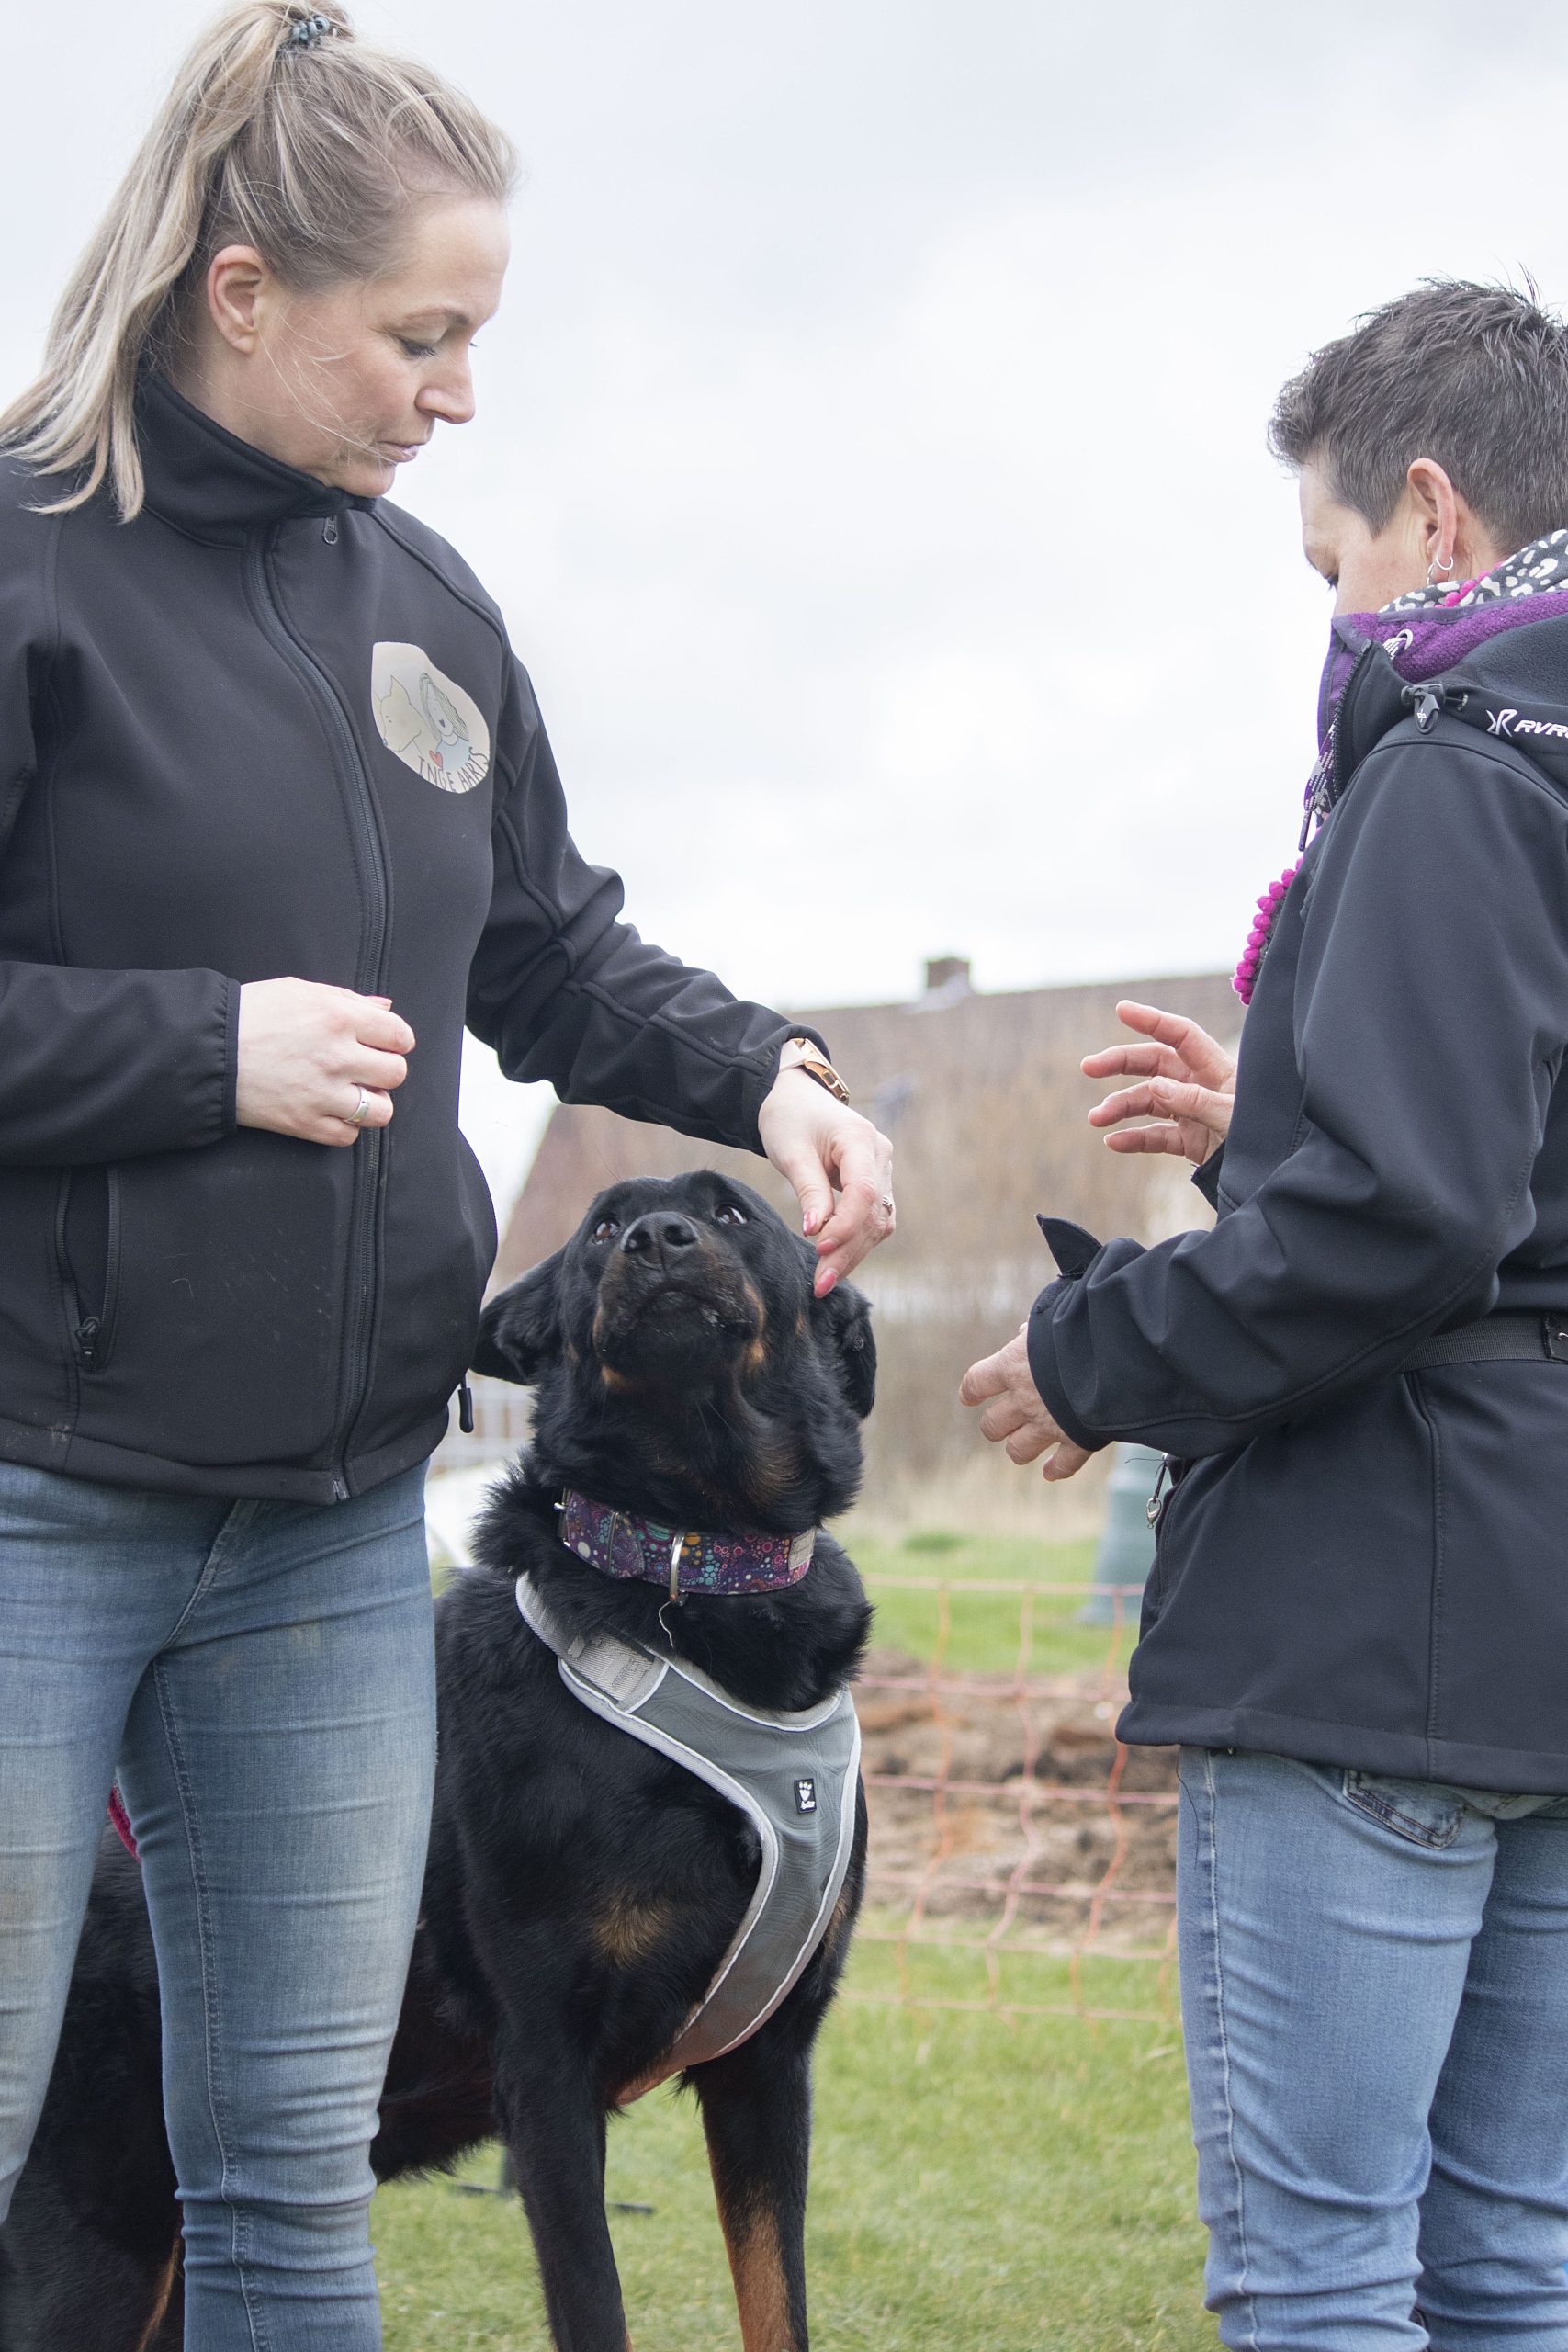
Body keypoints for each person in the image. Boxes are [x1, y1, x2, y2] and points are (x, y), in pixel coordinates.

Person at [0, 6, 894, 2343]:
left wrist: (761, 1068)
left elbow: (550, 949)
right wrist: (200, 1047)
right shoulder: (24, 566)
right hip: (31, 1496)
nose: (456, 391)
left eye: (473, 338)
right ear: (240, 290)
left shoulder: (432, 617)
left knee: (294, 2167)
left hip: (323, 1535)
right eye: (423, 333)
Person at [963, 279, 1568, 2350]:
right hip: (1541, 1627)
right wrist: (1280, 1120)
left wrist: (1085, 1351)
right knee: (1510, 2264)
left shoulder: (1455, 764)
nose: (1327, 619)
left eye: (1328, 563)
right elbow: (1509, 1194)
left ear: (1429, 516)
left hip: (1367, 1628)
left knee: (1320, 2273)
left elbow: (1406, 1226)